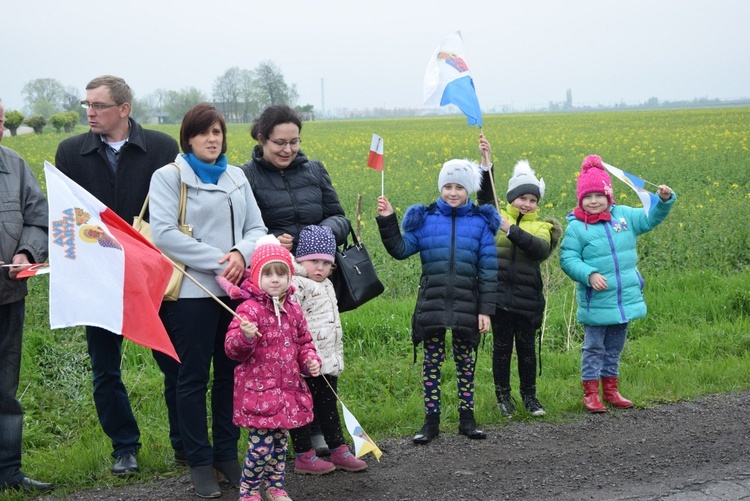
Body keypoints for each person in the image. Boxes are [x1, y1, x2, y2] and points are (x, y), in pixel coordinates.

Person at [54, 75, 180, 475]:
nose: (89, 112)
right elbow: (66, 214)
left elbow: (174, 209)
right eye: (86, 105)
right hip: (98, 274)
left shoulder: (162, 147)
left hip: (150, 272)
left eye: (98, 105)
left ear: (124, 109)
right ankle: (124, 447)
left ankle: (185, 444)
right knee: (105, 368)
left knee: (174, 362)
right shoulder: (70, 152)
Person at [149, 103, 267, 498]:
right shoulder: (169, 177)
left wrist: (239, 254)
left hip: (235, 292)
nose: (212, 139)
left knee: (231, 376)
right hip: (190, 294)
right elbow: (164, 233)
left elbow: (257, 227)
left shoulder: (237, 176)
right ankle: (199, 462)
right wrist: (221, 261)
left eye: (217, 132)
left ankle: (226, 455)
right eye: (203, 133)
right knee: (192, 377)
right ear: (188, 138)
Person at [240, 104, 348, 453]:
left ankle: (325, 429)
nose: (288, 150)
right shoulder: (247, 177)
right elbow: (245, 229)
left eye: (294, 142)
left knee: (321, 353)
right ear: (261, 139)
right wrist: (272, 240)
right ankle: (301, 432)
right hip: (277, 284)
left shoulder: (315, 170)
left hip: (316, 281)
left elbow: (339, 218)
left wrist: (317, 237)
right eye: (279, 143)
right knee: (287, 357)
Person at [376, 159, 499, 444]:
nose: (453, 193)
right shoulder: (426, 219)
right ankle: (431, 423)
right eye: (447, 186)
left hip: (468, 304)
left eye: (459, 187)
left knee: (465, 363)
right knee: (431, 363)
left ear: (468, 190)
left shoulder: (480, 224)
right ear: (440, 187)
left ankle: (467, 420)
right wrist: (388, 220)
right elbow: (400, 249)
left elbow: (489, 270)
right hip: (432, 303)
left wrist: (486, 311)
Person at [559, 155, 675, 413]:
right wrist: (588, 274)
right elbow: (567, 258)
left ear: (609, 196)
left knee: (614, 347)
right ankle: (590, 394)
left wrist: (664, 201)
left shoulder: (624, 216)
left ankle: (611, 390)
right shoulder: (577, 227)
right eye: (587, 197)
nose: (593, 201)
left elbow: (650, 218)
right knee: (593, 347)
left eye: (598, 196)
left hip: (623, 299)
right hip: (597, 300)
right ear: (580, 199)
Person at [220, 236, 322, 501]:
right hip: (260, 392)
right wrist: (246, 337)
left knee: (279, 445)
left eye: (281, 273)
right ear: (256, 277)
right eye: (268, 273)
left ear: (289, 277)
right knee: (260, 446)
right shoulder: (248, 311)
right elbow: (232, 350)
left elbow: (303, 343)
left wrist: (310, 361)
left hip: (287, 391)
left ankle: (275, 486)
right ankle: (249, 490)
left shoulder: (294, 310)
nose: (275, 279)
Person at [476, 135, 562, 418]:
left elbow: (538, 249)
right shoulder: (497, 216)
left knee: (526, 351)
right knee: (501, 349)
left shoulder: (542, 227)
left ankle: (530, 397)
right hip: (499, 297)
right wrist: (486, 162)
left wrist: (510, 229)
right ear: (511, 198)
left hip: (527, 299)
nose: (527, 203)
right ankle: (503, 398)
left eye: (533, 199)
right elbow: (486, 196)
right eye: (523, 198)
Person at [0, 103, 54, 493]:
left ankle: (8, 472)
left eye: (0, 121)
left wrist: (27, 253)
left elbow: (39, 218)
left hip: (8, 296)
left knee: (5, 390)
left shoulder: (15, 165)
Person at [288, 225, 367, 474]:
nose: (320, 268)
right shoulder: (296, 285)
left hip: (328, 361)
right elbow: (291, 326)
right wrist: (301, 358)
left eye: (326, 262)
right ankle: (303, 454)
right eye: (313, 261)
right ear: (301, 260)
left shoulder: (328, 285)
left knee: (328, 405)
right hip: (305, 364)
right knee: (302, 409)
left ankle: (338, 448)